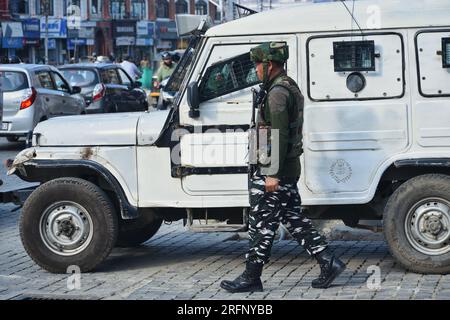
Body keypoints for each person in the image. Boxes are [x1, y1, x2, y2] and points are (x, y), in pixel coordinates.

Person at [220, 42, 346, 293]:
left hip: (274, 170)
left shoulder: (278, 92)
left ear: (270, 65)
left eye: (258, 64)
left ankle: (251, 277)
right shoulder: (283, 87)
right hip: (282, 168)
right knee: (294, 219)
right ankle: (328, 261)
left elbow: (277, 134)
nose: (255, 69)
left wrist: (271, 173)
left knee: (261, 224)